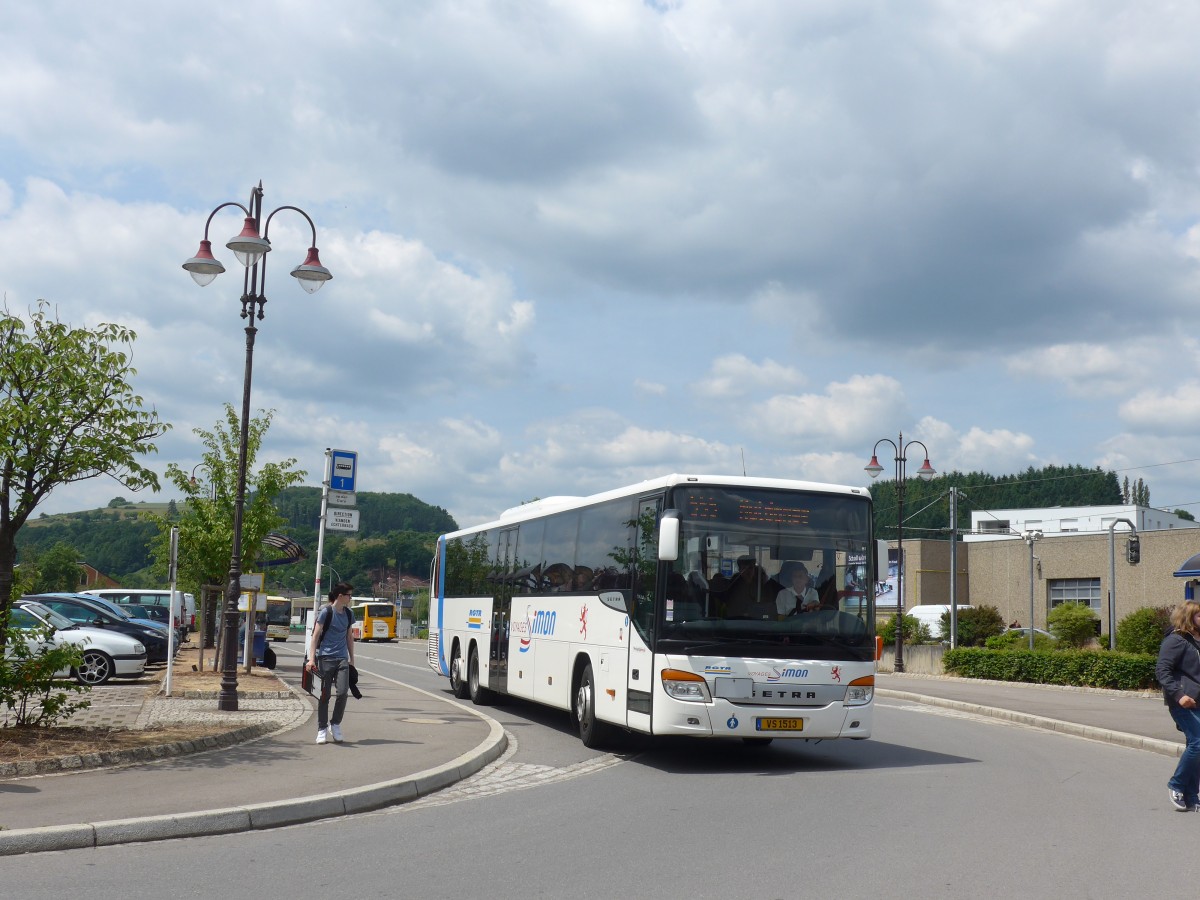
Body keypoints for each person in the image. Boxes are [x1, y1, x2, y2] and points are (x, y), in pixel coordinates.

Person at [1155, 601, 1200, 811]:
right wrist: (1179, 695)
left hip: (1198, 700)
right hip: (1183, 702)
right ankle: (1177, 785)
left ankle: (1192, 794)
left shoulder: (1198, 642)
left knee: (1197, 746)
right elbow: (1162, 671)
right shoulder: (1175, 641)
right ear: (1188, 617)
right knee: (1198, 743)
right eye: (1199, 615)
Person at [306, 582, 357, 745]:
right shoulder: (326, 612)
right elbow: (315, 636)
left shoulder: (349, 614)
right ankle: (322, 728)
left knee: (342, 692)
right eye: (349, 595)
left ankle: (335, 724)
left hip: (342, 658)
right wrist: (311, 658)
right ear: (340, 596)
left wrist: (352, 660)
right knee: (324, 695)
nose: (351, 598)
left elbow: (349, 637)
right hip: (325, 658)